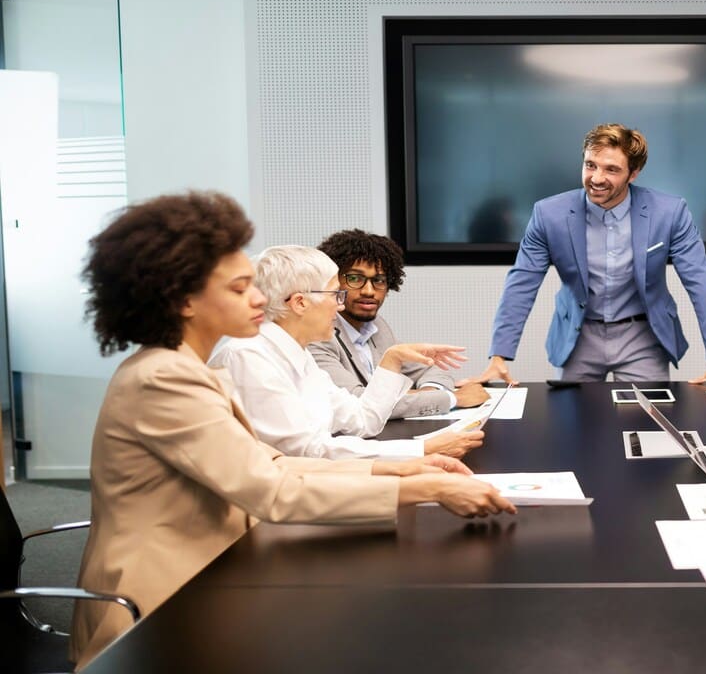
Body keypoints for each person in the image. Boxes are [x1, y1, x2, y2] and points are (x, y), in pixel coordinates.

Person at [71, 192, 513, 668]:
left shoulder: (183, 366)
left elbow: (273, 462)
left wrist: (404, 469)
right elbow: (272, 490)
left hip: (212, 570)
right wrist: (425, 487)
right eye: (239, 288)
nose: (260, 299)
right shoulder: (166, 378)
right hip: (161, 606)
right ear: (184, 301)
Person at [464, 123, 706, 387]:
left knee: (648, 421)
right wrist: (499, 355)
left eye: (611, 169)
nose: (596, 178)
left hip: (643, 336)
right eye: (590, 165)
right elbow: (522, 283)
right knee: (570, 422)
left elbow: (700, 281)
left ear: (633, 173)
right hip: (578, 335)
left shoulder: (670, 212)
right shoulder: (548, 214)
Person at [210, 246, 484, 460]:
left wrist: (392, 361)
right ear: (300, 303)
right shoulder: (249, 358)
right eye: (335, 295)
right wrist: (420, 449)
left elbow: (364, 420)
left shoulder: (297, 355)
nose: (340, 306)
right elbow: (306, 453)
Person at [310, 229, 490, 417]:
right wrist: (454, 399)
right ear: (333, 282)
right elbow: (359, 403)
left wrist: (427, 393)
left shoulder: (376, 326)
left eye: (379, 280)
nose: (369, 291)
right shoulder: (316, 334)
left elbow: (431, 369)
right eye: (355, 278)